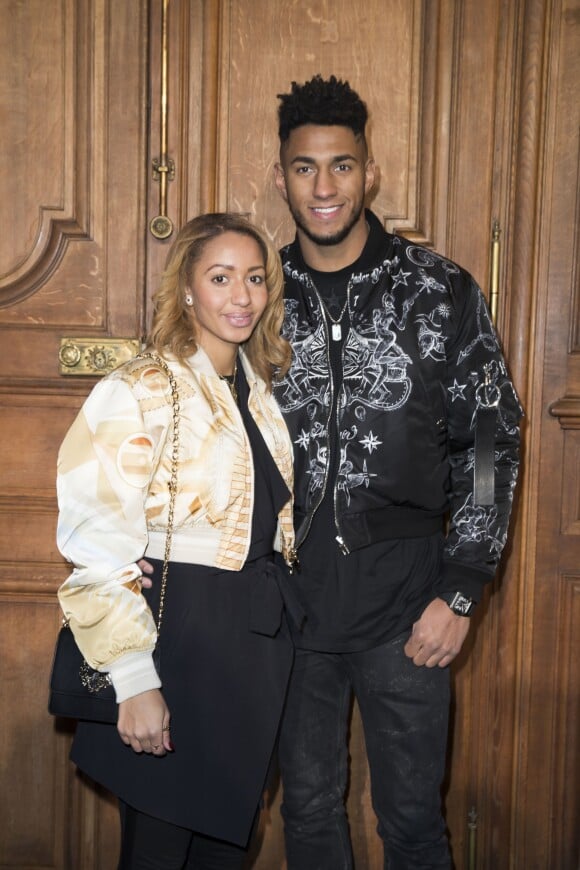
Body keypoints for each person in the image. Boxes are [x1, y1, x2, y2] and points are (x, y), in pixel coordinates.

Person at [270, 75, 523, 869]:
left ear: (369, 173)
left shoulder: (440, 290)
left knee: (412, 824)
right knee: (308, 815)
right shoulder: (256, 298)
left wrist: (461, 589)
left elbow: (490, 443)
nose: (323, 186)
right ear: (280, 177)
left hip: (408, 609)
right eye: (305, 167)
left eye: (341, 166)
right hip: (287, 608)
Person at [55, 212, 301, 870]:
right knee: (159, 850)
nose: (242, 295)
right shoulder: (138, 389)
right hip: (179, 647)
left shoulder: (261, 396)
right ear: (188, 289)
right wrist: (134, 681)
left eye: (254, 278)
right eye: (221, 278)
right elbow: (95, 537)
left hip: (251, 658)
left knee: (226, 851)